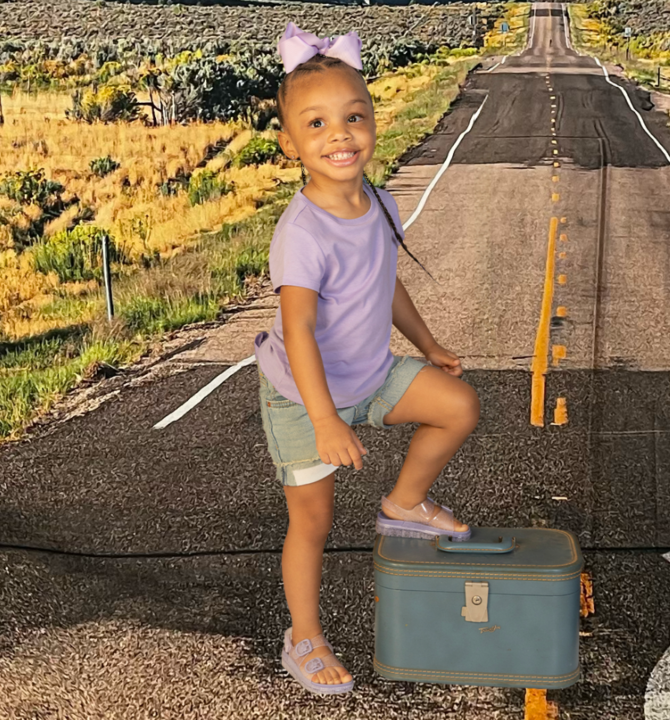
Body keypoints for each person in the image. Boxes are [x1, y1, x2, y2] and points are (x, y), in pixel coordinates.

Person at [252, 22, 481, 696]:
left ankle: (403, 504)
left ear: (374, 120)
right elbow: (298, 334)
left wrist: (429, 345)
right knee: (313, 524)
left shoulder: (380, 203)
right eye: (317, 123)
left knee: (457, 406)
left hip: (372, 375)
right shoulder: (301, 233)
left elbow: (387, 282)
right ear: (290, 143)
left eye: (354, 117)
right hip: (304, 396)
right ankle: (305, 637)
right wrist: (325, 422)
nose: (340, 134)